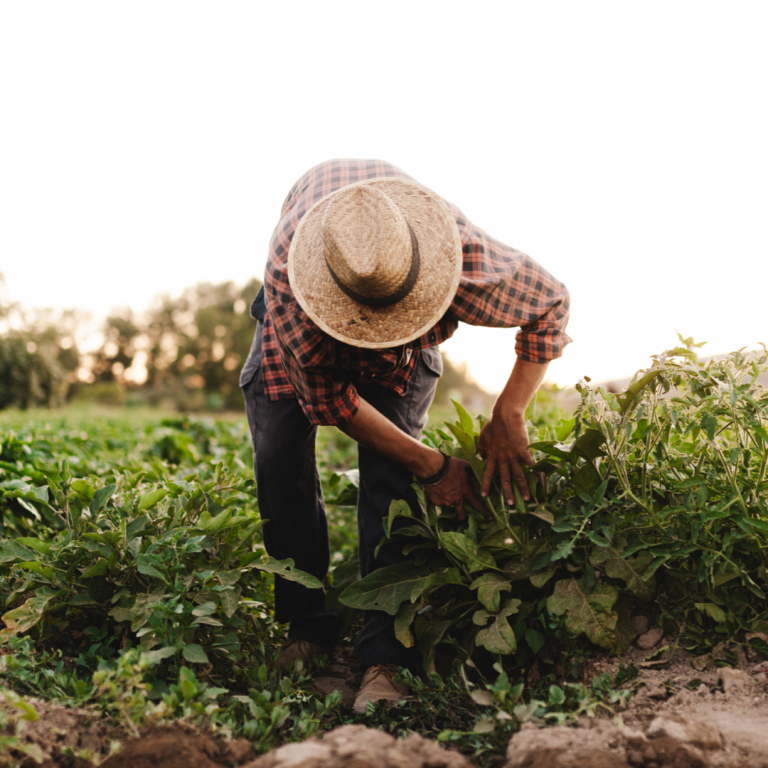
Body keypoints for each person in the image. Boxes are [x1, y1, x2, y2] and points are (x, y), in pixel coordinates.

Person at [240, 159, 571, 712]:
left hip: (407, 328)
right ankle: (307, 624)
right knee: (279, 461)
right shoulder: (293, 288)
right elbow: (334, 403)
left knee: (391, 483)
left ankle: (385, 654)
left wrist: (510, 412)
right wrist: (434, 466)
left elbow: (551, 304)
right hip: (302, 324)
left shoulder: (458, 254)